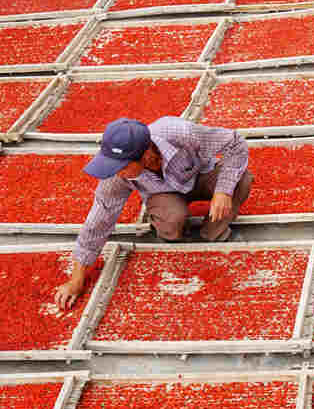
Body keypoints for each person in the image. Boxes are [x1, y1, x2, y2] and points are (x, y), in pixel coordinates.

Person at [55, 116, 253, 309]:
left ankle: (212, 232)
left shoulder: (180, 133)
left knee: (241, 180)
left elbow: (235, 143)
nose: (118, 172)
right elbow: (100, 218)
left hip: (200, 175)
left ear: (145, 154)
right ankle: (175, 233)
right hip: (164, 195)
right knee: (172, 220)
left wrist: (223, 191)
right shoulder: (117, 176)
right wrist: (77, 277)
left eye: (122, 166)